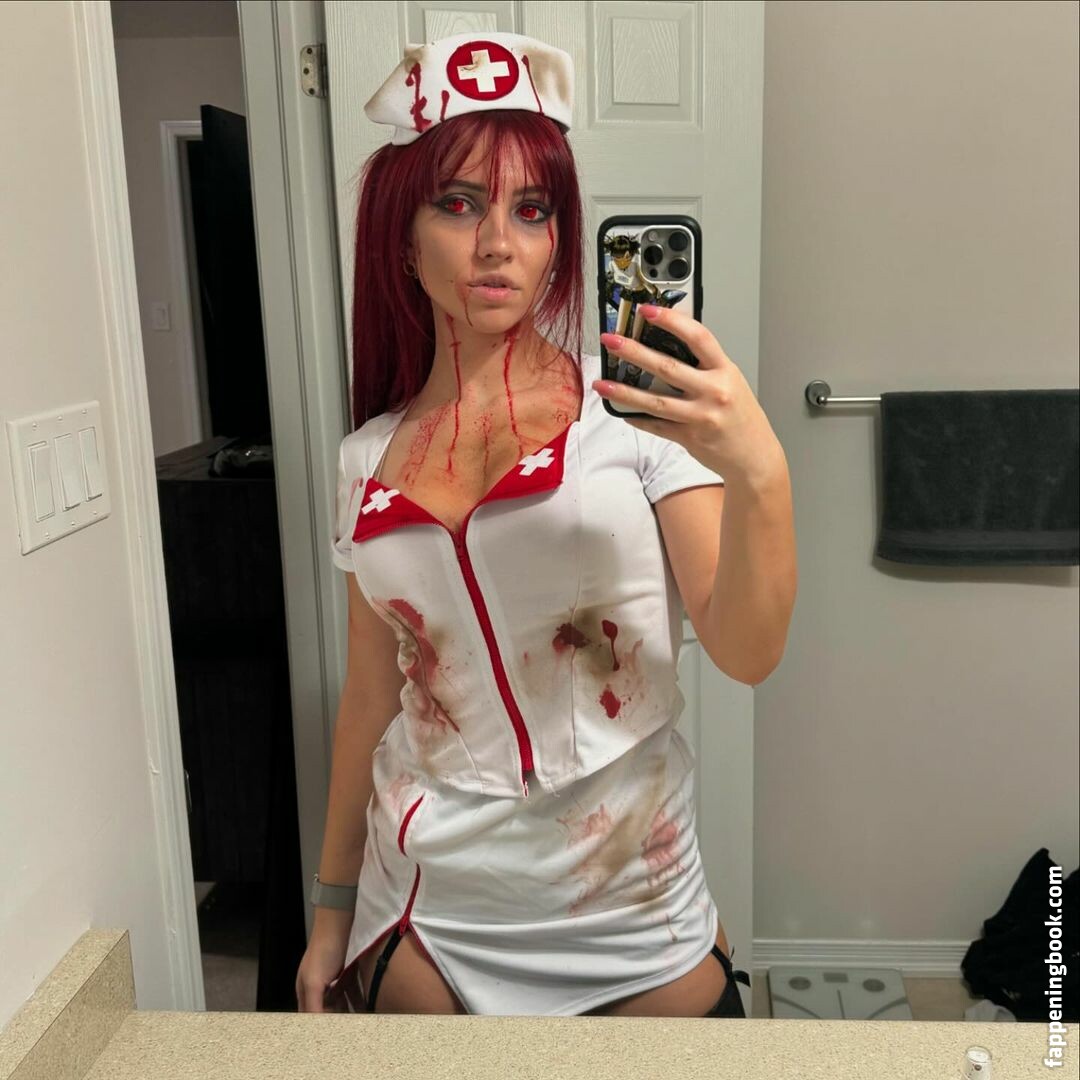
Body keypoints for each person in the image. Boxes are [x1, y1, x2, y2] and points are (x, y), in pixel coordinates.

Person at [295, 30, 796, 1018]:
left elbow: (747, 651)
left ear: (561, 238)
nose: (499, 243)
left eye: (532, 210)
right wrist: (329, 912)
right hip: (429, 917)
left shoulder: (634, 425)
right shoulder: (364, 462)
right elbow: (370, 699)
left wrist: (761, 471)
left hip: (633, 905)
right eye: (458, 204)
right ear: (402, 236)